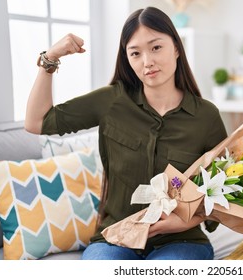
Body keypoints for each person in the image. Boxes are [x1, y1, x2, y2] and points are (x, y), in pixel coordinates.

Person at [25, 6, 227, 260]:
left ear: (176, 47)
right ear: (127, 59)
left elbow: (225, 192)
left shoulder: (206, 116)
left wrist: (184, 223)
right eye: (135, 53)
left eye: (156, 47)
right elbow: (36, 122)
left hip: (181, 241)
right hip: (115, 239)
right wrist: (50, 59)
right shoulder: (112, 101)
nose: (147, 62)